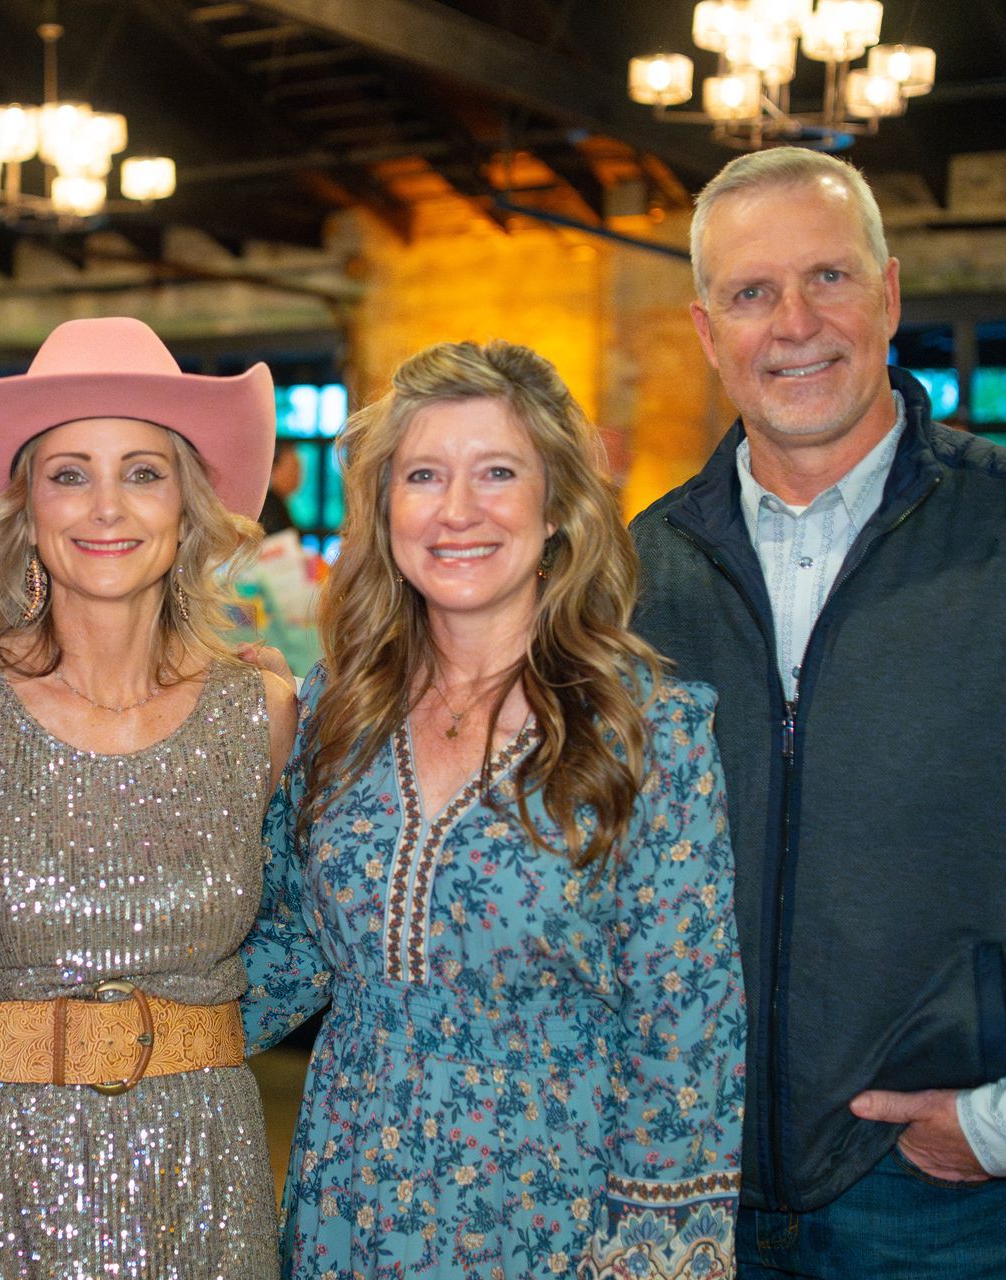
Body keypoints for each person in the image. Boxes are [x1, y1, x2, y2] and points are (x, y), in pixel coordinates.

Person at [632, 146, 1006, 1278]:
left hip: (933, 1191)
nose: (795, 322)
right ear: (710, 333)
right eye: (753, 293)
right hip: (684, 1183)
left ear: (889, 296)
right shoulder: (640, 566)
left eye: (829, 278)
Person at [244, 340, 745, 1279]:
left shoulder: (647, 732)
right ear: (384, 508)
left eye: (498, 472)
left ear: (555, 506)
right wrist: (114, 1017)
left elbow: (686, 1033)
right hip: (345, 1208)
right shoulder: (332, 713)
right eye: (423, 474)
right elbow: (296, 948)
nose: (457, 510)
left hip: (551, 1224)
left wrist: (656, 1249)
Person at [0, 315, 298, 1278]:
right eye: (70, 473)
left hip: (205, 1171)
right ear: (25, 507)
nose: (106, 508)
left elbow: (325, 938)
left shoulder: (264, 714)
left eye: (143, 471)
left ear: (189, 506)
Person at [258, 440, 302, 535]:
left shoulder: (279, 502)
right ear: (274, 469)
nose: (298, 475)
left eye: (299, 469)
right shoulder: (269, 505)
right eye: (293, 469)